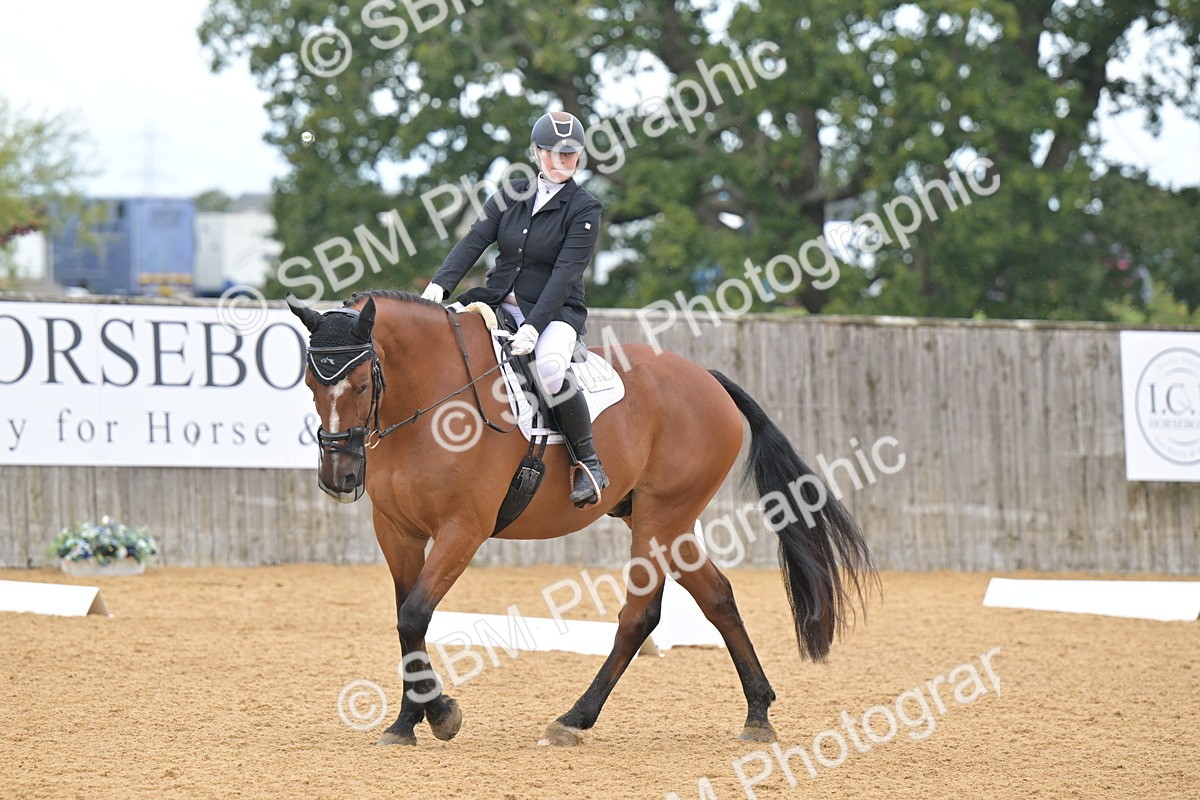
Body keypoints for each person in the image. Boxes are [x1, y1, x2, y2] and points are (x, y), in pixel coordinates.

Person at [420, 111, 609, 509]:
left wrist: (535, 327)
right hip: (495, 302)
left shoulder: (584, 208)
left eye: (570, 155)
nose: (561, 162)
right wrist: (440, 285)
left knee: (551, 369)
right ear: (536, 153)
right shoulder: (511, 193)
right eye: (552, 153)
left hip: (556, 313)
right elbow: (475, 240)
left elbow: (565, 273)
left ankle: (588, 464)